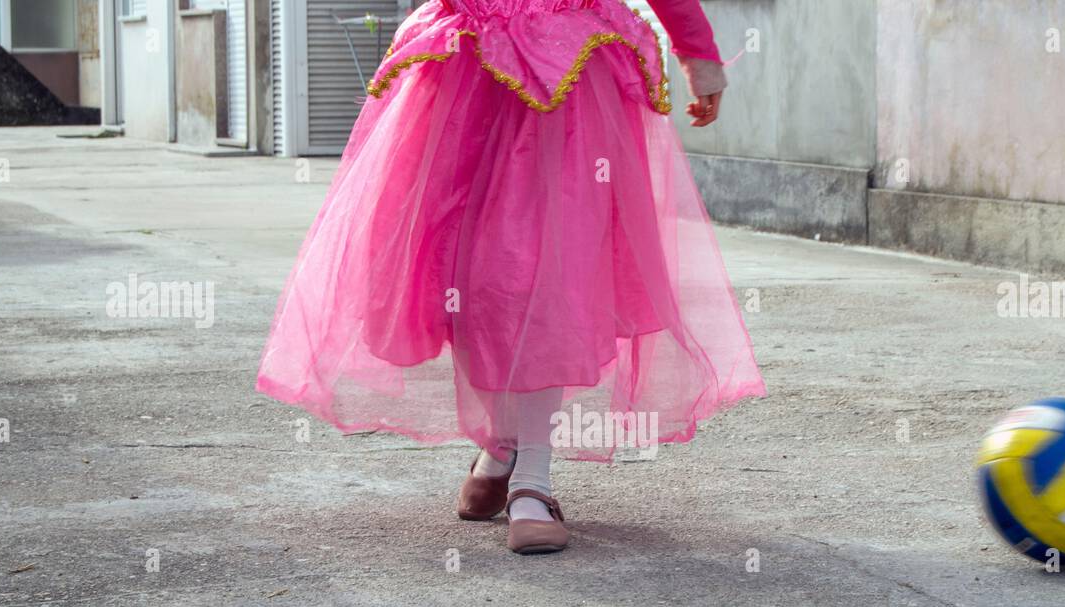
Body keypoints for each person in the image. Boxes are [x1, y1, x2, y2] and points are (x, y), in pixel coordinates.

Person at [256, 0, 765, 554]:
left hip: (567, 83)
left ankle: (532, 480)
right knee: (467, 279)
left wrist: (698, 57)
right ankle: (500, 443)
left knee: (545, 276)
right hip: (466, 73)